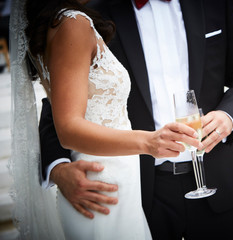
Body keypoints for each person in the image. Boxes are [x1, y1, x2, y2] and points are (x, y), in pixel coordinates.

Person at [39, 0, 233, 239]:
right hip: (141, 193)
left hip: (216, 181)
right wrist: (58, 169)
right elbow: (57, 105)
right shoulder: (92, 14)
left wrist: (229, 116)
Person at [10, 0, 202, 239]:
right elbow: (67, 127)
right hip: (101, 187)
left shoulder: (62, 22)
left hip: (118, 184)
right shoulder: (72, 23)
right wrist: (148, 142)